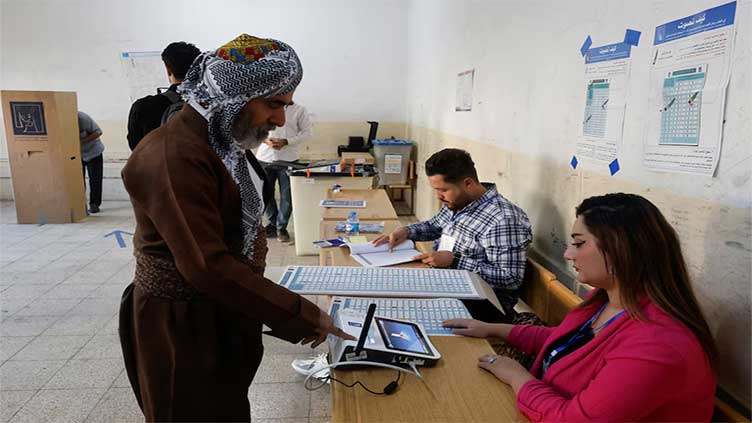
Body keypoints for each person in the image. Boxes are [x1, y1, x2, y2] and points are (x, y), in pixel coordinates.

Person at [118, 34, 353, 422]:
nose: (280, 119)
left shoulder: (221, 141)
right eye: (274, 103)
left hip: (221, 309)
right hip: (181, 324)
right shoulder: (173, 155)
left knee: (224, 407)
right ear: (233, 94)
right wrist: (303, 314)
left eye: (286, 105)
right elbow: (206, 265)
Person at [444, 193, 717, 422]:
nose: (567, 254)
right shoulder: (607, 300)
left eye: (578, 243)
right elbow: (566, 340)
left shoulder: (658, 346)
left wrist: (517, 376)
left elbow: (573, 420)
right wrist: (495, 329)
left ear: (621, 249)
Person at [373, 148, 532, 311]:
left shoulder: (503, 219)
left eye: (443, 190)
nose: (438, 196)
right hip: (447, 282)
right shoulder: (458, 201)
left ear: (468, 183)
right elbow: (434, 226)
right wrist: (406, 231)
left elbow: (510, 279)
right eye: (435, 189)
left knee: (398, 306)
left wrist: (455, 261)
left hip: (482, 303)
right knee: (385, 290)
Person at [126, 41, 201, 151]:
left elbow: (135, 147)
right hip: (201, 167)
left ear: (168, 69)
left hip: (156, 166)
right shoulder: (214, 104)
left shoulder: (143, 107)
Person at [256, 102, 312, 242]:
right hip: (264, 158)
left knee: (287, 196)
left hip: (289, 159)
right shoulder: (264, 107)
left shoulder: (300, 110)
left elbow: (307, 133)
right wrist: (265, 140)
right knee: (265, 194)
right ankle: (272, 224)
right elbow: (255, 130)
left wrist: (286, 141)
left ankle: (282, 228)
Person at [78, 111, 104, 214]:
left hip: (94, 152)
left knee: (95, 180)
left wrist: (81, 142)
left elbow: (98, 132)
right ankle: (80, 204)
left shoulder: (82, 118)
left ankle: (94, 204)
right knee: (79, 181)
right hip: (77, 154)